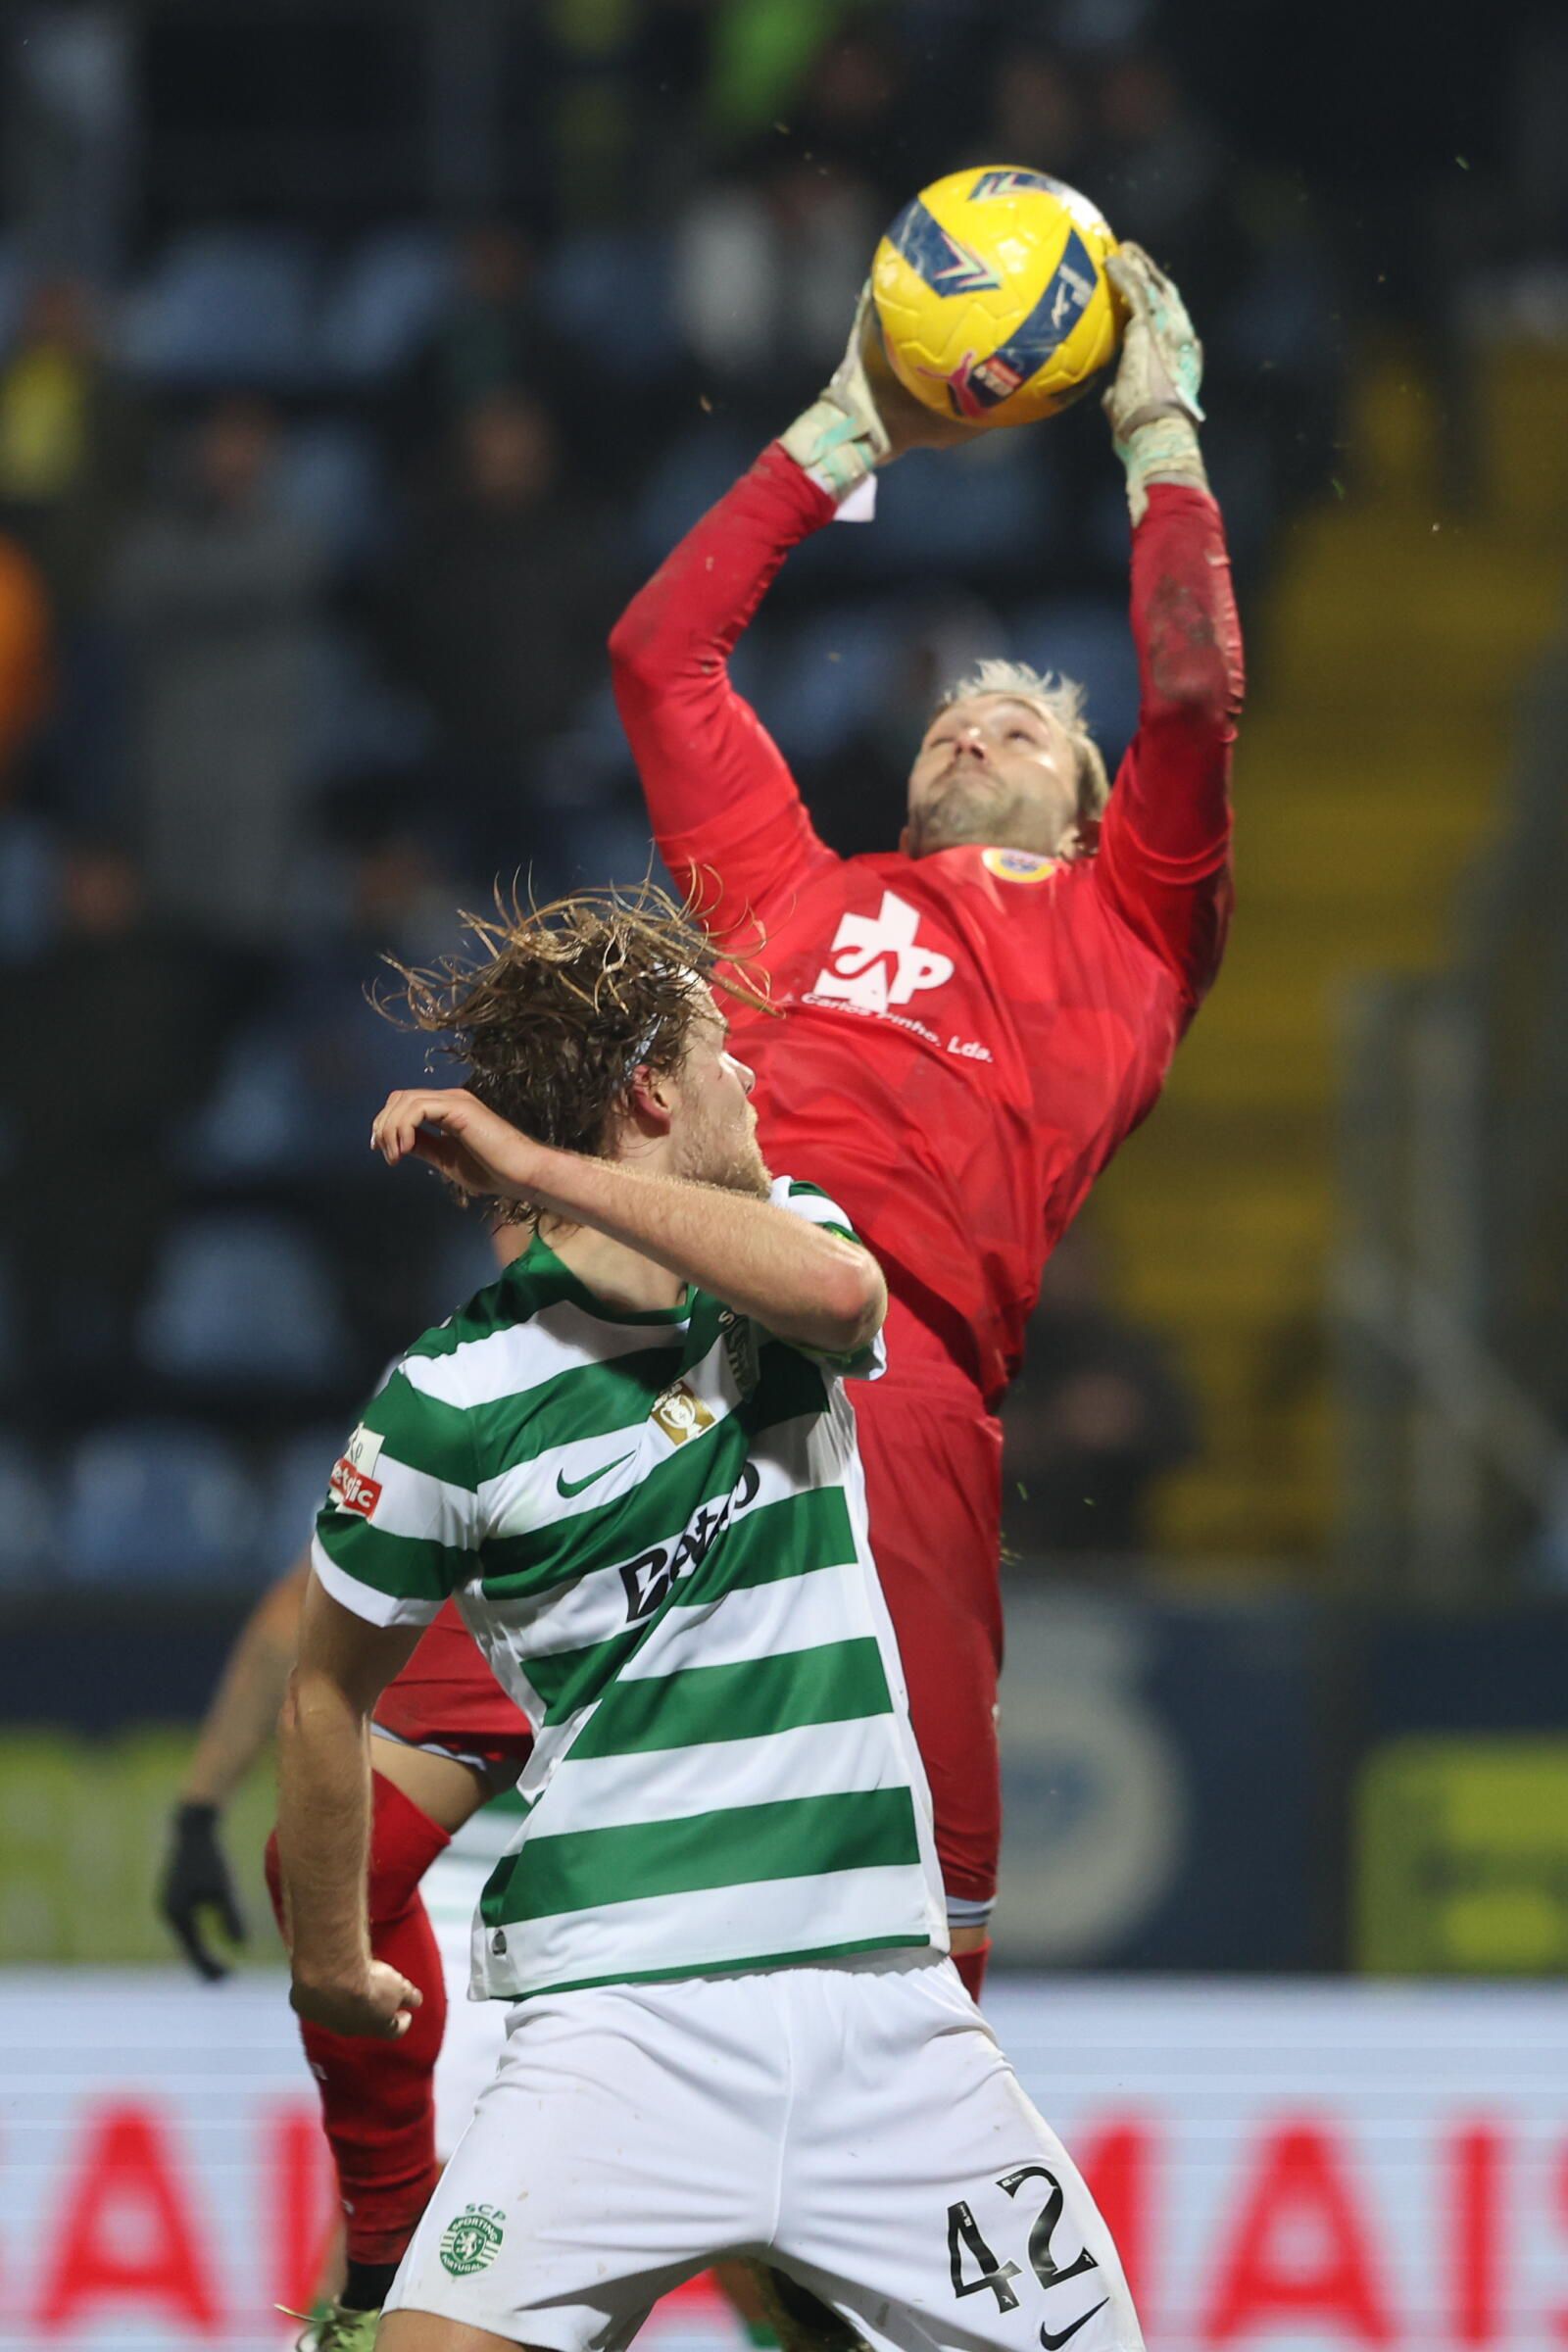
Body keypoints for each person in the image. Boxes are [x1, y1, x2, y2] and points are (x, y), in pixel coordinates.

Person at [274, 883, 1145, 2352]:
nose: (756, 1079)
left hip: (886, 2018)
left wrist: (546, 1164)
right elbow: (322, 1691)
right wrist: (322, 1958)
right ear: (656, 1094)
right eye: (723, 1056)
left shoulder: (778, 1255)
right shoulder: (447, 1397)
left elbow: (847, 1291)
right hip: (618, 2024)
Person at [609, 245, 1244, 1992]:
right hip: (662, 1331)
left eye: (1032, 723)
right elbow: (664, 659)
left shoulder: (1134, 931)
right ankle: (388, 2243)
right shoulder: (787, 894)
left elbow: (1192, 689)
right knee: (361, 1818)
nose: (985, 715)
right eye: (962, 711)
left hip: (896, 1373)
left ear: (1095, 808)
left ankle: (875, 2218)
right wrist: (837, 429)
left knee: (922, 1931)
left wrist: (1158, 430)